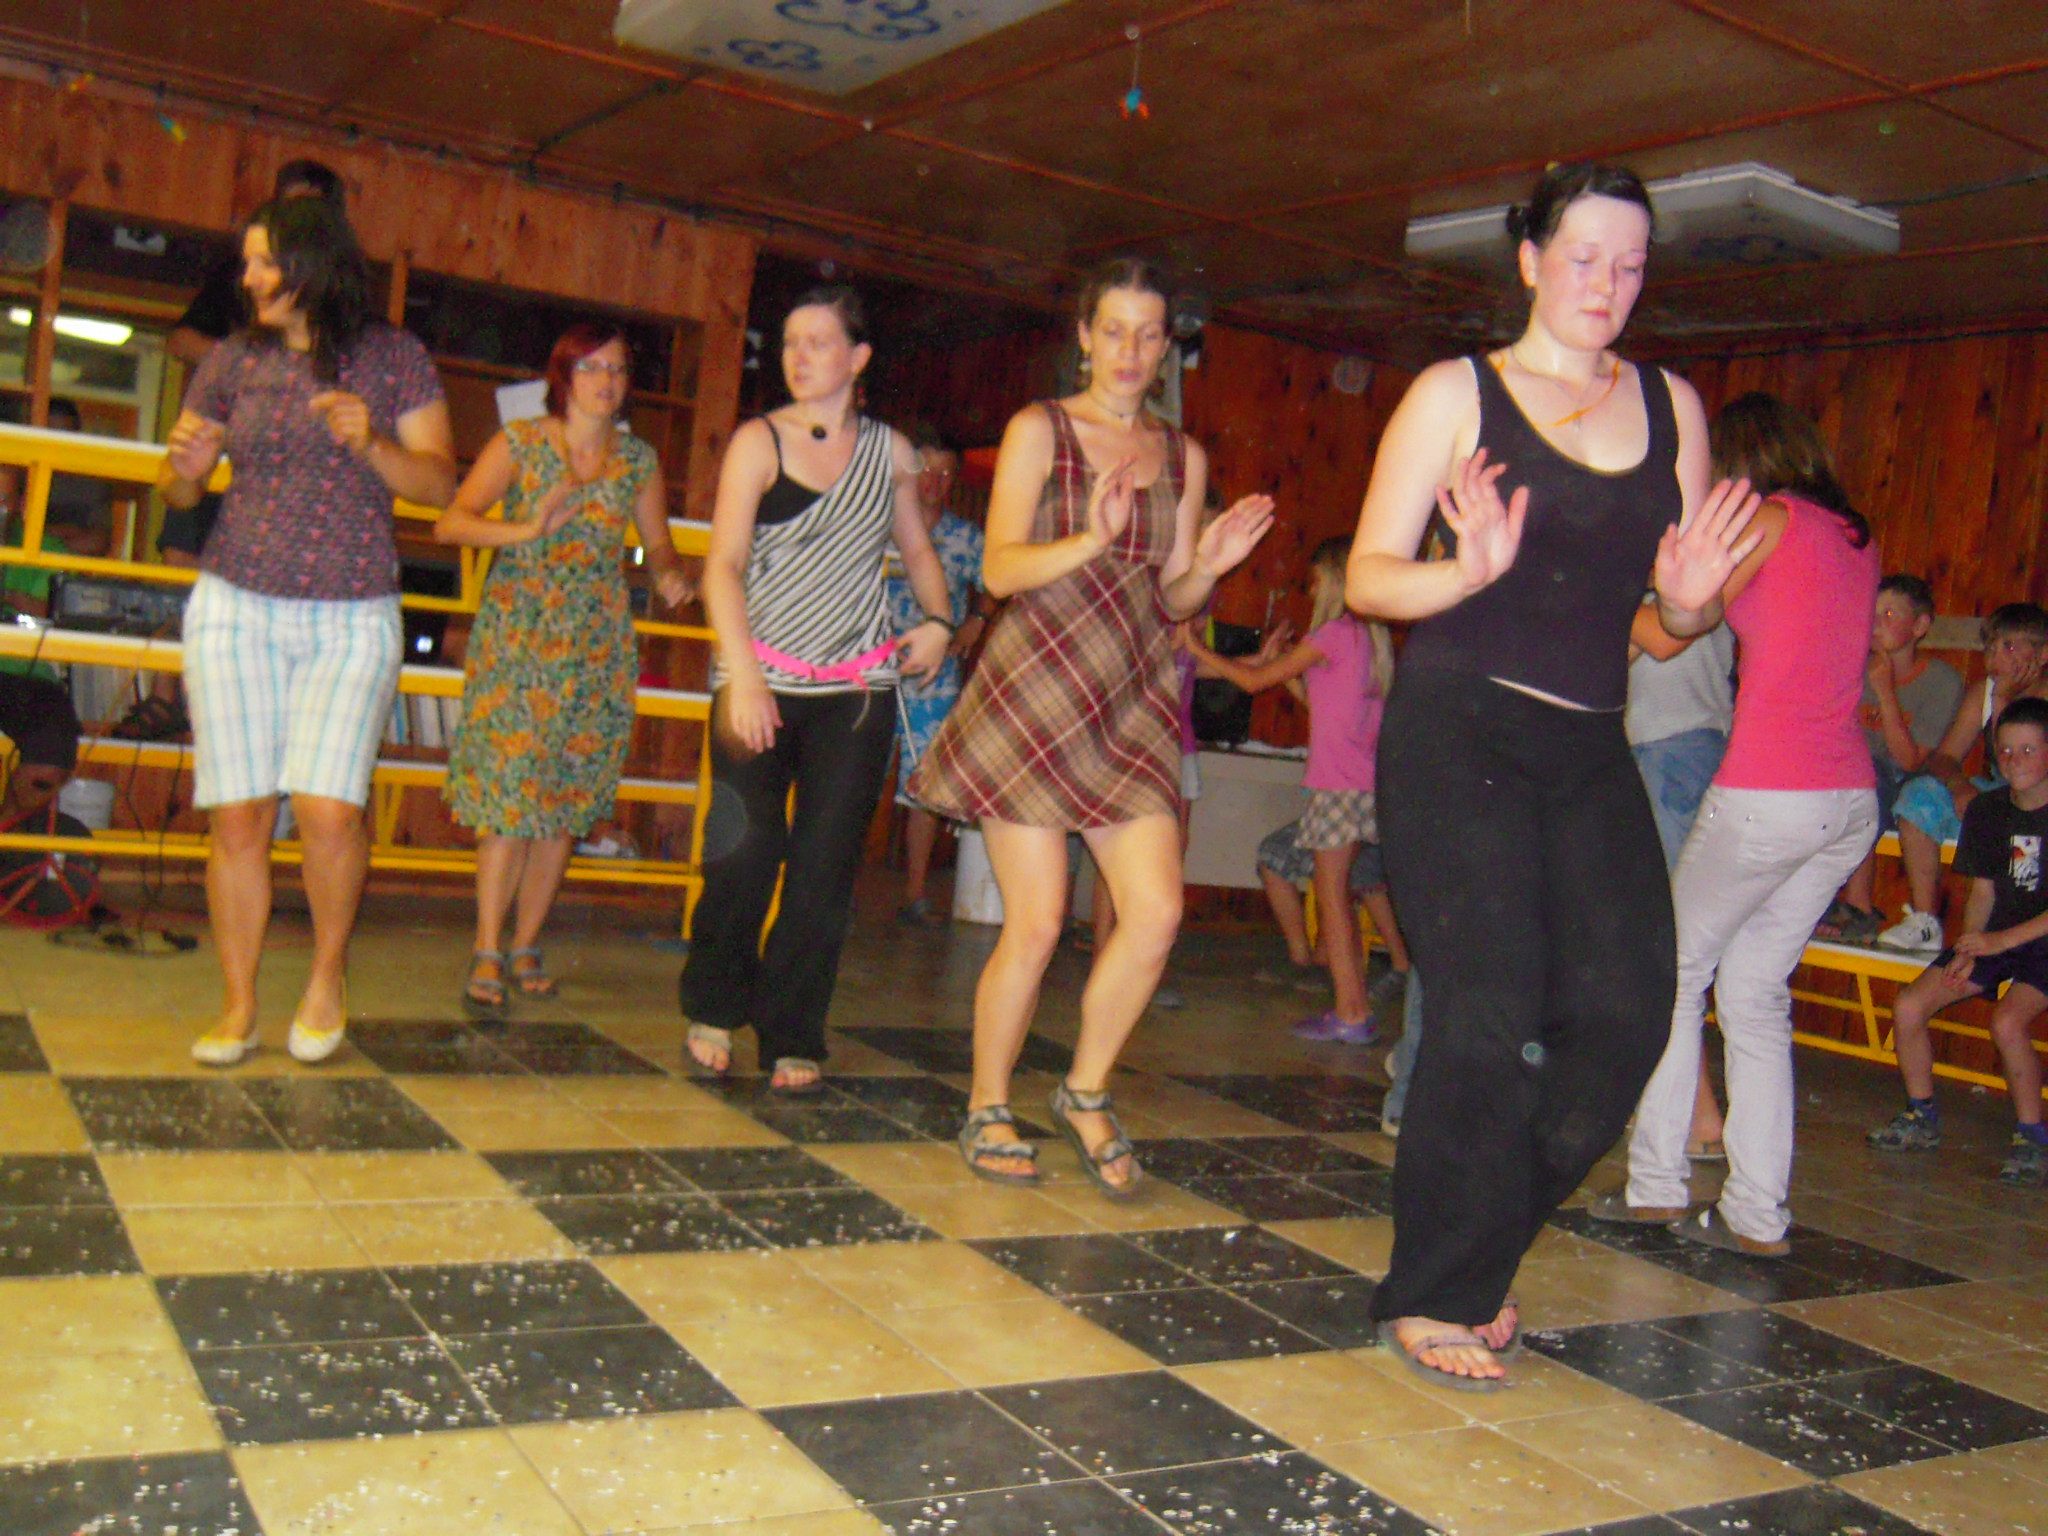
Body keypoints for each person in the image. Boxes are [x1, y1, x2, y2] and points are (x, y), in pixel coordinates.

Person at [1345, 163, 1754, 1389]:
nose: (1605, 284)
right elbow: (1368, 576)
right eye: (1581, 257)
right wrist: (1464, 573)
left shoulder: (1672, 407)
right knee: (1484, 1010)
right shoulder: (1454, 394)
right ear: (1527, 260)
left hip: (1587, 744)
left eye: (1629, 265)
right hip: (1457, 730)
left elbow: (1672, 615)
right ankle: (1436, 1291)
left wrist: (1691, 605)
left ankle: (1471, 1253)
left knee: (1627, 1014)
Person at [912, 258, 1274, 1197]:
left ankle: (1083, 1090)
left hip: (1131, 698)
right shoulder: (1040, 429)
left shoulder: (1181, 456)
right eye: (1113, 330)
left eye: (1149, 335)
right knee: (1036, 924)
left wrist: (1212, 564)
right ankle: (988, 1103)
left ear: (1166, 348)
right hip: (1033, 692)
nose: (1130, 350)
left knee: (1156, 914)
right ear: (1084, 336)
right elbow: (998, 570)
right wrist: (1089, 540)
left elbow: (1175, 596)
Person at [160, 195, 456, 1067]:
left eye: (263, 262)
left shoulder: (393, 356)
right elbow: (180, 490)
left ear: (312, 264)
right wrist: (184, 471)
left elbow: (440, 486)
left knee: (330, 810)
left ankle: (326, 978)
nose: (248, 278)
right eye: (248, 261)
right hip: (235, 602)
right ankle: (240, 1003)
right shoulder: (233, 358)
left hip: (351, 609)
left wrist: (373, 444)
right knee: (239, 815)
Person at [1595, 391, 1879, 1259]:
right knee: (1754, 995)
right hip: (1847, 800)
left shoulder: (1768, 519)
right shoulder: (1852, 537)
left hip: (1770, 788)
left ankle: (1655, 1186)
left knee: (1673, 976)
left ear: (1740, 461)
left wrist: (1587, 594)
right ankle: (1756, 1216)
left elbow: (1679, 627)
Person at [679, 287, 953, 1094]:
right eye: (790, 341)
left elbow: (918, 549)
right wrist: (744, 679)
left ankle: (793, 1028)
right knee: (743, 851)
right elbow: (722, 567)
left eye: (818, 342)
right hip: (756, 673)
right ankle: (715, 1005)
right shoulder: (757, 441)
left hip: (855, 688)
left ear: (858, 359)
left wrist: (939, 619)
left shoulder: (892, 452)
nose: (798, 356)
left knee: (824, 869)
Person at [434, 323, 693, 1015]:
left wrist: (671, 575)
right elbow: (451, 523)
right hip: (518, 640)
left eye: (618, 368)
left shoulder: (637, 460)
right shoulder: (521, 442)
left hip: (595, 649)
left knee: (564, 807)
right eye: (592, 367)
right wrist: (525, 530)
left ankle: (526, 943)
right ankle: (486, 946)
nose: (607, 381)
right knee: (507, 801)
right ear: (564, 376)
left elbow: (659, 546)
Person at [115, 160, 352, 746]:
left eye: (307, 207)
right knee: (182, 564)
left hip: (288, 474)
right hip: (222, 440)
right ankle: (166, 697)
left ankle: (245, 713)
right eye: (285, 203)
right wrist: (249, 363)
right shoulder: (237, 280)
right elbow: (180, 340)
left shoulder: (344, 302)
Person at [1186, 538, 1405, 1043]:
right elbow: (1322, 706)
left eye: (1315, 580)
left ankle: (1352, 1013)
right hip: (1364, 786)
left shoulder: (1332, 633)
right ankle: (1353, 1008)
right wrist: (1283, 668)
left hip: (1337, 788)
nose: (1310, 590)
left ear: (1334, 581)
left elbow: (1250, 683)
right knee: (1337, 894)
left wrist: (1195, 648)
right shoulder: (1369, 639)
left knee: (1332, 897)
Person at [1866, 696, 2048, 1186]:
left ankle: (2032, 1137)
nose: (2014, 761)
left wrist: (2000, 941)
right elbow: (1983, 892)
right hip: (1998, 936)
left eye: (2028, 750)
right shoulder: (1989, 810)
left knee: (2007, 1021)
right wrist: (1970, 947)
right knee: (1909, 1006)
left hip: (2040, 938)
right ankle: (1920, 1115)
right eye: (2005, 751)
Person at [1627, 602, 1739, 1159]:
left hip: (1665, 747)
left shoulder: (1662, 578)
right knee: (1676, 938)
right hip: (1699, 743)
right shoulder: (1707, 571)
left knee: (1663, 940)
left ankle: (1698, 1116)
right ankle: (1687, 1107)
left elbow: (1639, 643)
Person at [1880, 603, 2048, 953]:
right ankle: (1925, 921)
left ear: (2043, 654)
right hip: (1996, 795)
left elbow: (2021, 768)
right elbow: (1944, 757)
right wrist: (1958, 787)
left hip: (2038, 803)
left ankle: (2020, 938)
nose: (1995, 658)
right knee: (1919, 793)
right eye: (1991, 648)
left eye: (2010, 647)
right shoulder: (1986, 691)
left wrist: (2003, 701)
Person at [1821, 575, 1964, 944]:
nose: (1875, 623)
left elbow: (1911, 760)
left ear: (1919, 626)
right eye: (1872, 612)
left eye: (1889, 614)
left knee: (1866, 783)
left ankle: (1859, 905)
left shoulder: (1940, 681)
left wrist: (1885, 691)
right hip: (1847, 774)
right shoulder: (1850, 669)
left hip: (1901, 779)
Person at [887, 431, 988, 928]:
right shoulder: (879, 524)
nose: (934, 481)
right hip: (871, 672)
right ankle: (833, 891)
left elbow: (995, 585)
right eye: (926, 470)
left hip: (935, 678)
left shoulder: (967, 537)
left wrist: (977, 622)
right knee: (853, 782)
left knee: (924, 787)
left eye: (945, 474)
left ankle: (915, 894)